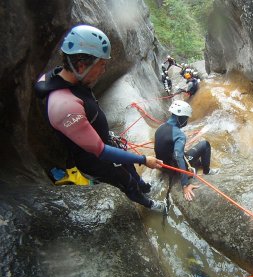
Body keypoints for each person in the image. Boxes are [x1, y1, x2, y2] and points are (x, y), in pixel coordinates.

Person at [34, 24, 167, 212]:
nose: (104, 70)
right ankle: (149, 204)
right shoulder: (65, 106)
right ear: (81, 66)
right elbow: (100, 151)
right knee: (126, 180)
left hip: (102, 142)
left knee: (129, 166)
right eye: (101, 65)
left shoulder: (60, 76)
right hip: (94, 157)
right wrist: (144, 159)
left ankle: (144, 188)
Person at [154, 100, 219, 201]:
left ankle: (197, 165)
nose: (187, 120)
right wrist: (185, 185)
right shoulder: (179, 135)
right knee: (205, 145)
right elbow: (178, 157)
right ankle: (207, 171)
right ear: (181, 117)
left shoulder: (160, 128)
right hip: (173, 167)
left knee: (191, 157)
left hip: (163, 166)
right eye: (186, 118)